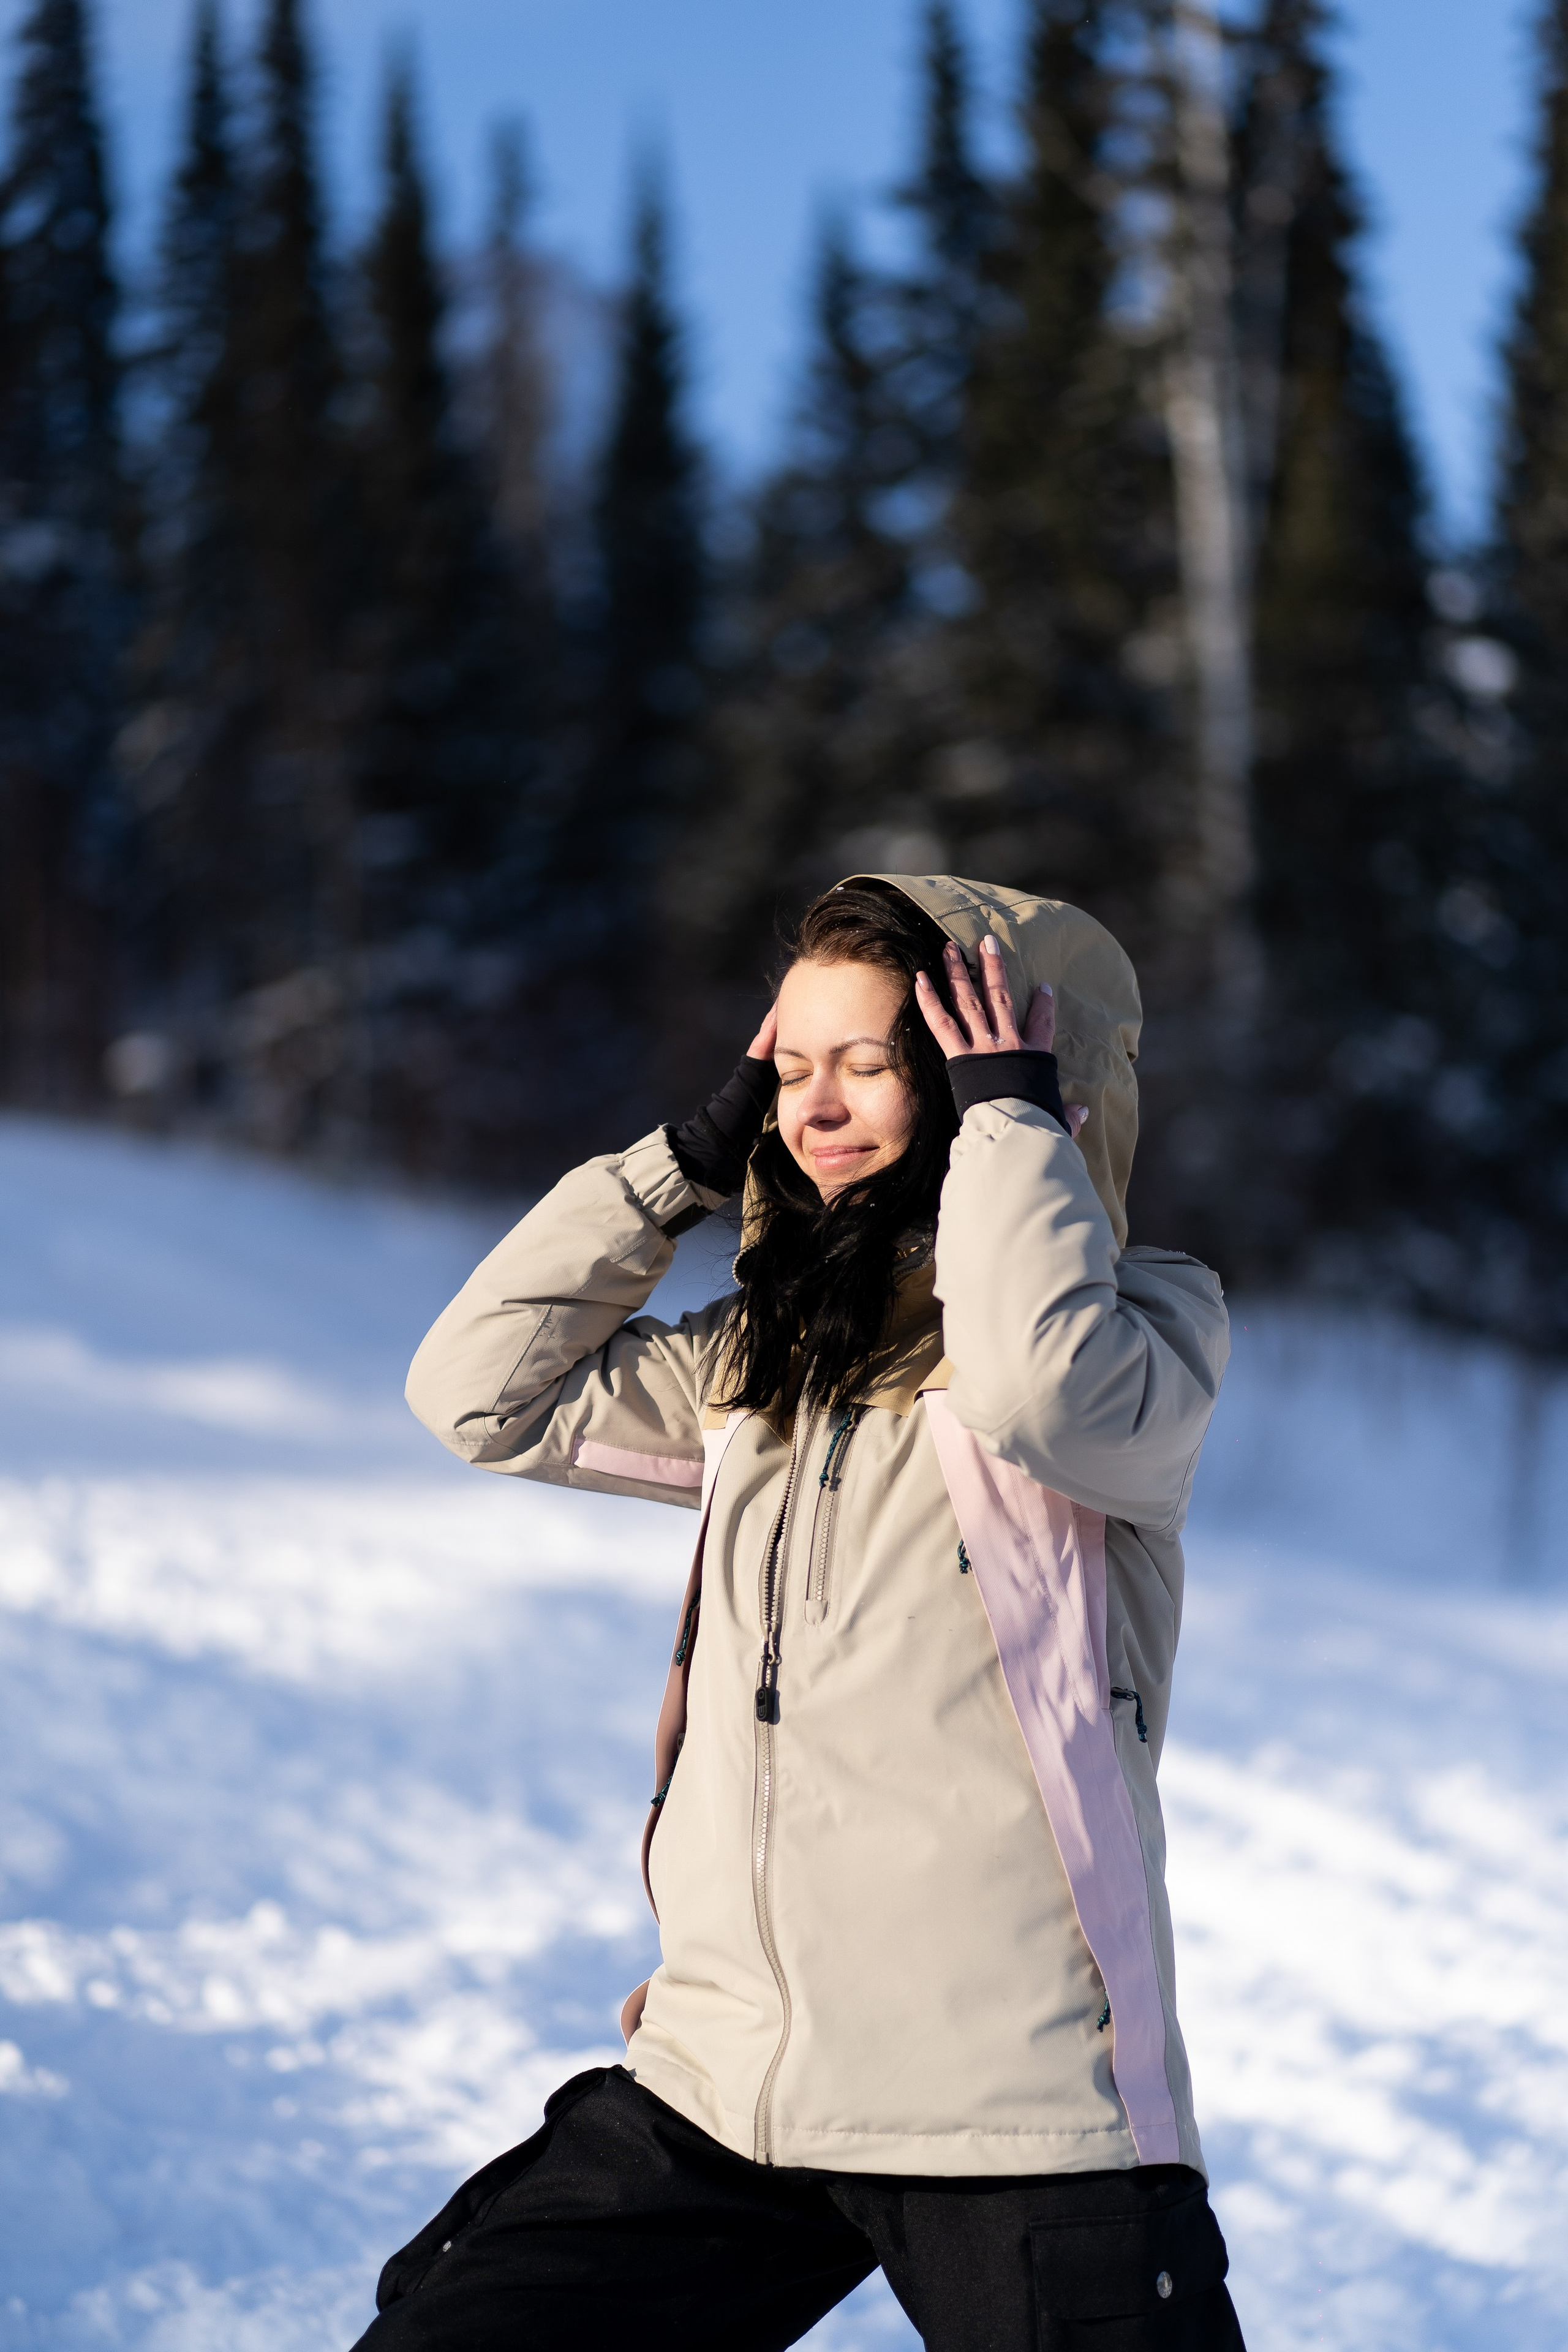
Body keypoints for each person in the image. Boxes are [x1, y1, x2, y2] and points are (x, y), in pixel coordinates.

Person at [355, 873, 1243, 2351]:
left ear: (994, 1078)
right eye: (789, 1068)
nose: (812, 1107)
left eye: (873, 1063)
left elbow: (1031, 1389)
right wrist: (674, 1169)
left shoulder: (1143, 1334)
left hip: (1005, 2112)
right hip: (726, 2083)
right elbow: (478, 1395)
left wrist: (1023, 1129)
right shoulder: (749, 1368)